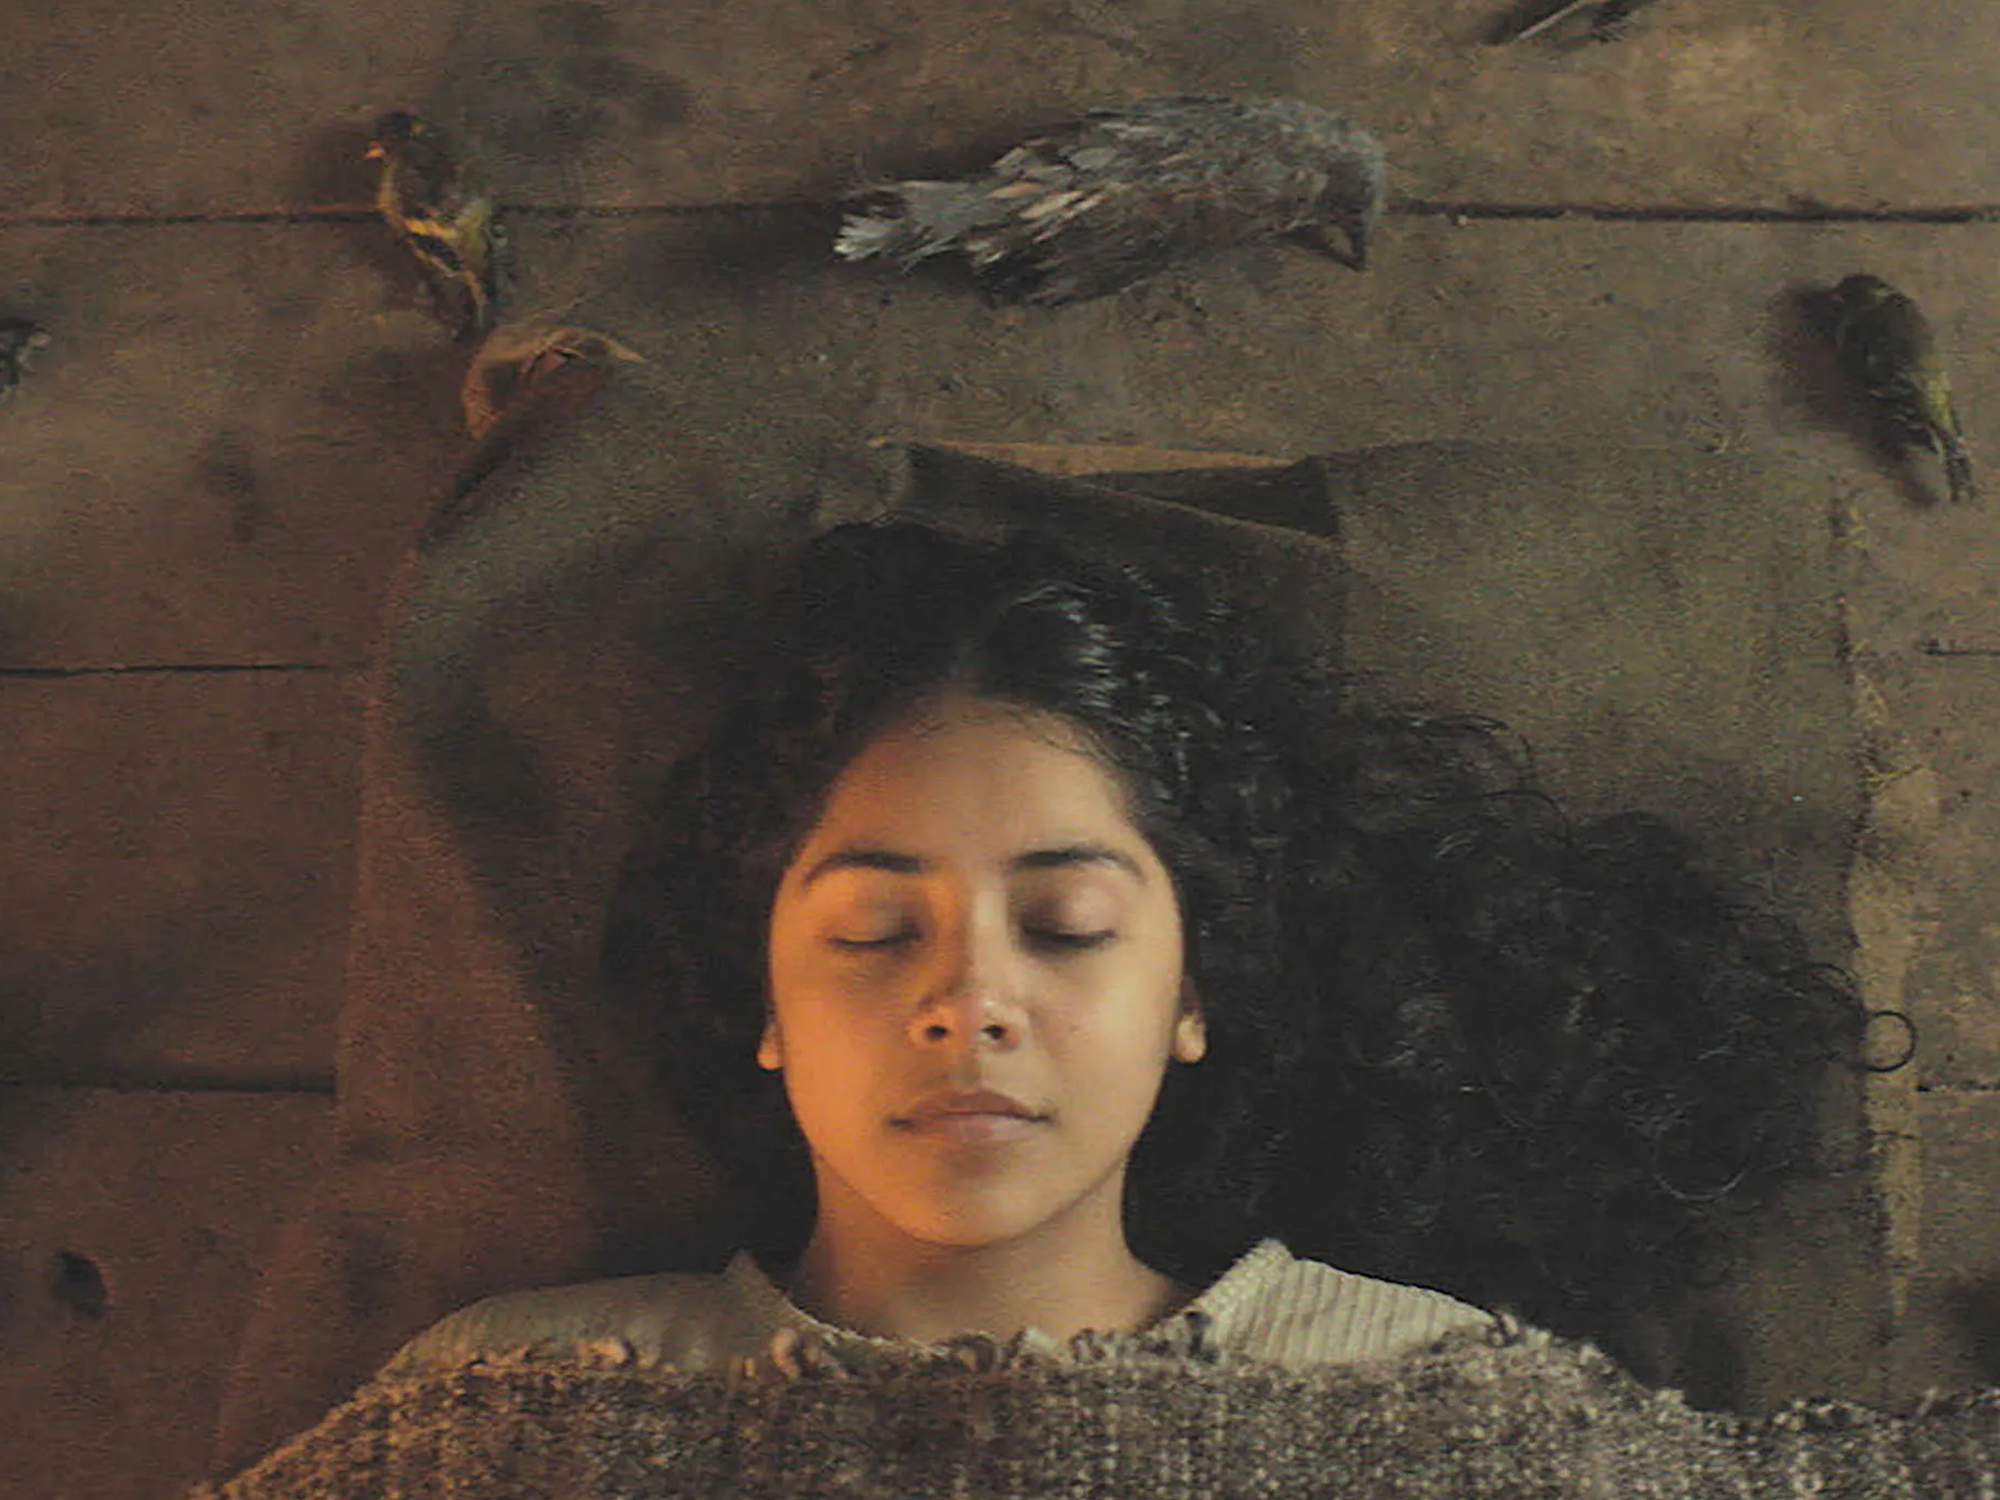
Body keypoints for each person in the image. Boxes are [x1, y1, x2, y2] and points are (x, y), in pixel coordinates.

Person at [379, 517, 1865, 1382]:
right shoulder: (505, 1401)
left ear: (1192, 993)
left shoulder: (1425, 1392)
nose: (970, 1002)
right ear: (761, 995)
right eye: (875, 931)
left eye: (1067, 928)